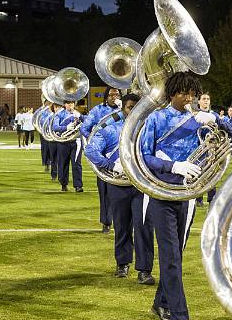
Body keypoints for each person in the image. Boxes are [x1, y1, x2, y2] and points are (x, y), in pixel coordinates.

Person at [140, 72, 232, 320]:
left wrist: (216, 119)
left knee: (176, 257)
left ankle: (160, 301)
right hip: (161, 193)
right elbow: (143, 155)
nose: (189, 98)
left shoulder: (201, 119)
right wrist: (173, 165)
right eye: (184, 93)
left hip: (188, 195)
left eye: (193, 94)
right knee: (171, 257)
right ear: (172, 93)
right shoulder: (157, 119)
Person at [84, 93, 155, 284]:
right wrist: (109, 164)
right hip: (118, 184)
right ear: (123, 108)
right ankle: (122, 264)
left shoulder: (148, 129)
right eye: (130, 107)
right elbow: (90, 150)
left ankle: (144, 270)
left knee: (144, 227)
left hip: (141, 186)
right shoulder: (110, 129)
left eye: (137, 107)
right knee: (122, 226)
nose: (134, 111)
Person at [81, 87, 122, 233]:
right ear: (106, 97)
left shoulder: (125, 110)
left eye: (117, 94)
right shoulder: (98, 110)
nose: (114, 97)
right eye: (111, 95)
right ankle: (106, 222)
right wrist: (95, 142)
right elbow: (84, 128)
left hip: (123, 154)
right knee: (105, 192)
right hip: (105, 154)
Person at [52, 100, 84, 192]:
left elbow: (87, 122)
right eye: (68, 103)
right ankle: (63, 184)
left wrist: (80, 116)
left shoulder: (77, 113)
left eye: (72, 103)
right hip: (63, 142)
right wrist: (66, 128)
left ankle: (78, 186)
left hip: (76, 141)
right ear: (65, 105)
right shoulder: (59, 114)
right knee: (63, 164)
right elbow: (55, 127)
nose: (70, 105)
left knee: (76, 164)